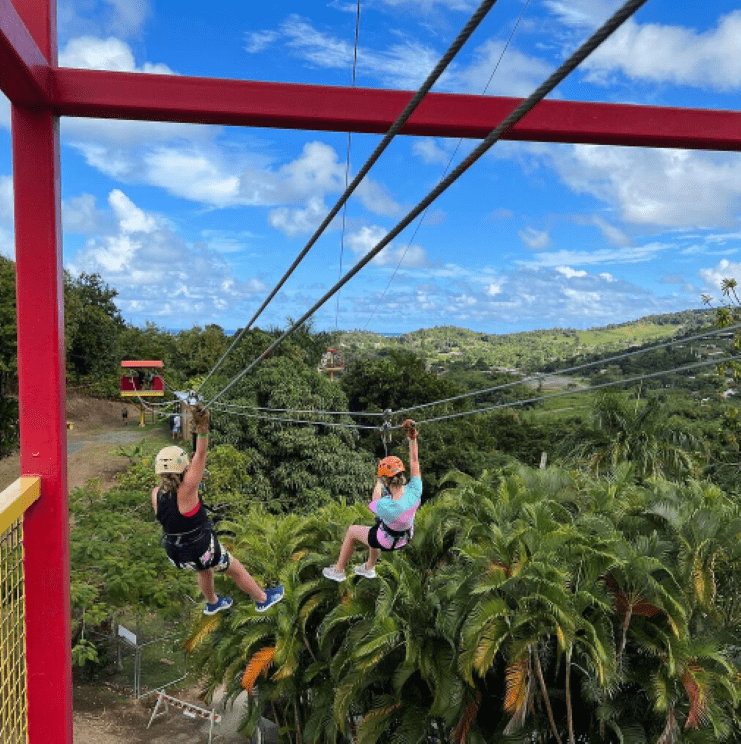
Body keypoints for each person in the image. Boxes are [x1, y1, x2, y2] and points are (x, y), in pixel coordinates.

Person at [151, 405, 284, 615]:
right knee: (235, 568)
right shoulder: (187, 488)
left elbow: (174, 508)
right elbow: (201, 454)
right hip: (201, 549)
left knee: (205, 570)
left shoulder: (156, 493)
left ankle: (212, 602)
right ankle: (262, 598)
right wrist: (203, 428)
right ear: (183, 466)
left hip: (177, 555)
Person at [323, 419, 421, 581]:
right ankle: (369, 567)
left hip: (387, 541)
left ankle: (339, 570)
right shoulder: (415, 490)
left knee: (353, 531)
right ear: (402, 475)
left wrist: (378, 482)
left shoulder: (387, 505)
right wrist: (412, 437)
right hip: (405, 537)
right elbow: (415, 462)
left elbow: (374, 501)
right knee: (375, 529)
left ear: (386, 481)